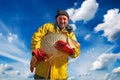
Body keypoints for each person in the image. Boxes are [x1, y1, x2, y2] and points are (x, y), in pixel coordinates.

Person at [30, 10, 80, 80]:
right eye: (60, 18)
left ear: (68, 20)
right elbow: (36, 37)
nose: (62, 21)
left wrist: (70, 51)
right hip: (41, 73)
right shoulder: (47, 26)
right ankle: (32, 63)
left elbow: (76, 51)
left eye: (64, 19)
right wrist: (36, 50)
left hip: (60, 75)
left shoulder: (70, 34)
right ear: (56, 19)